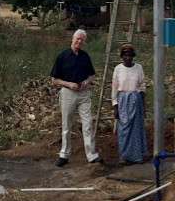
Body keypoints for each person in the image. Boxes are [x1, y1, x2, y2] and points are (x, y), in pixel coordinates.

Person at [51, 29, 103, 167]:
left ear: (84, 42)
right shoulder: (62, 56)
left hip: (84, 94)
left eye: (82, 40)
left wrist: (87, 81)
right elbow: (54, 79)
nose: (79, 41)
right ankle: (64, 154)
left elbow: (91, 74)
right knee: (67, 125)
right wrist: (68, 84)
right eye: (77, 39)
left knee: (88, 124)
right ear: (72, 38)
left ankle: (92, 155)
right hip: (68, 93)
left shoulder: (85, 56)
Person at [112, 43, 148, 164]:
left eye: (130, 55)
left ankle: (137, 157)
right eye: (125, 55)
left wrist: (144, 105)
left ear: (133, 56)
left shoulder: (138, 68)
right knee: (123, 130)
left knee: (136, 130)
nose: (128, 58)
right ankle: (124, 156)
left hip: (136, 100)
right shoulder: (118, 69)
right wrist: (115, 106)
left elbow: (142, 87)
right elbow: (114, 88)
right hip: (122, 101)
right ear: (122, 56)